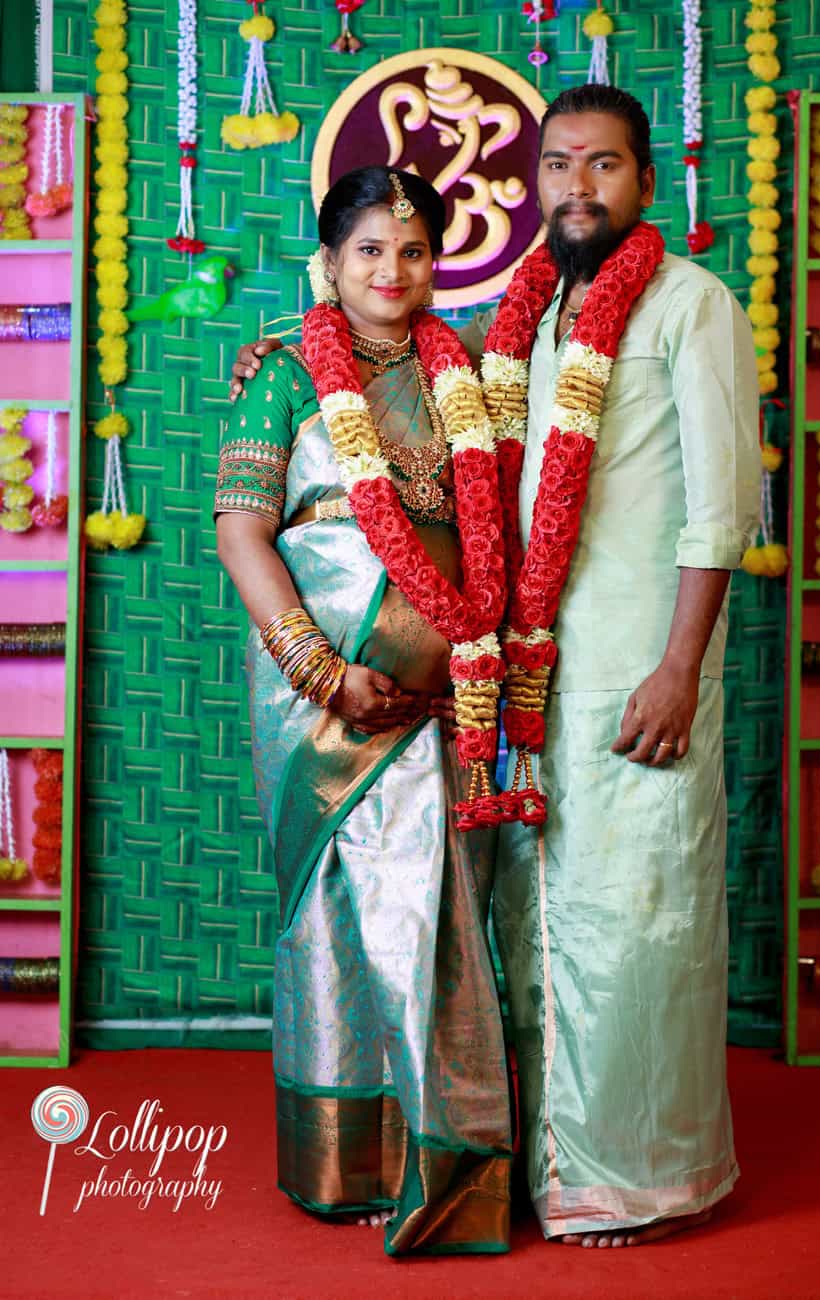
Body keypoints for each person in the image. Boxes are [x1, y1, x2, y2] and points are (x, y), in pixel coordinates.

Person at [229, 84, 762, 1251]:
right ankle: (552, 1166)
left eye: (604, 166)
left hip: (639, 668)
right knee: (540, 920)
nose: (578, 187)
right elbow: (262, 528)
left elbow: (724, 512)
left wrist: (680, 666)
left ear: (644, 179)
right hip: (527, 683)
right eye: (559, 165)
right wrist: (324, 664)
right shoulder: (527, 323)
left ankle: (643, 1176)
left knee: (640, 919)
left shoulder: (690, 305)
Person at [214, 166, 513, 1256]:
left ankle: (443, 1150)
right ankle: (345, 1161)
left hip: (441, 690)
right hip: (327, 693)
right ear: (328, 264)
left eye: (417, 249)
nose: (395, 270)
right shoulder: (283, 374)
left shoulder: (466, 371)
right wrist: (318, 665)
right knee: (347, 906)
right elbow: (244, 531)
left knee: (437, 908)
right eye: (371, 250)